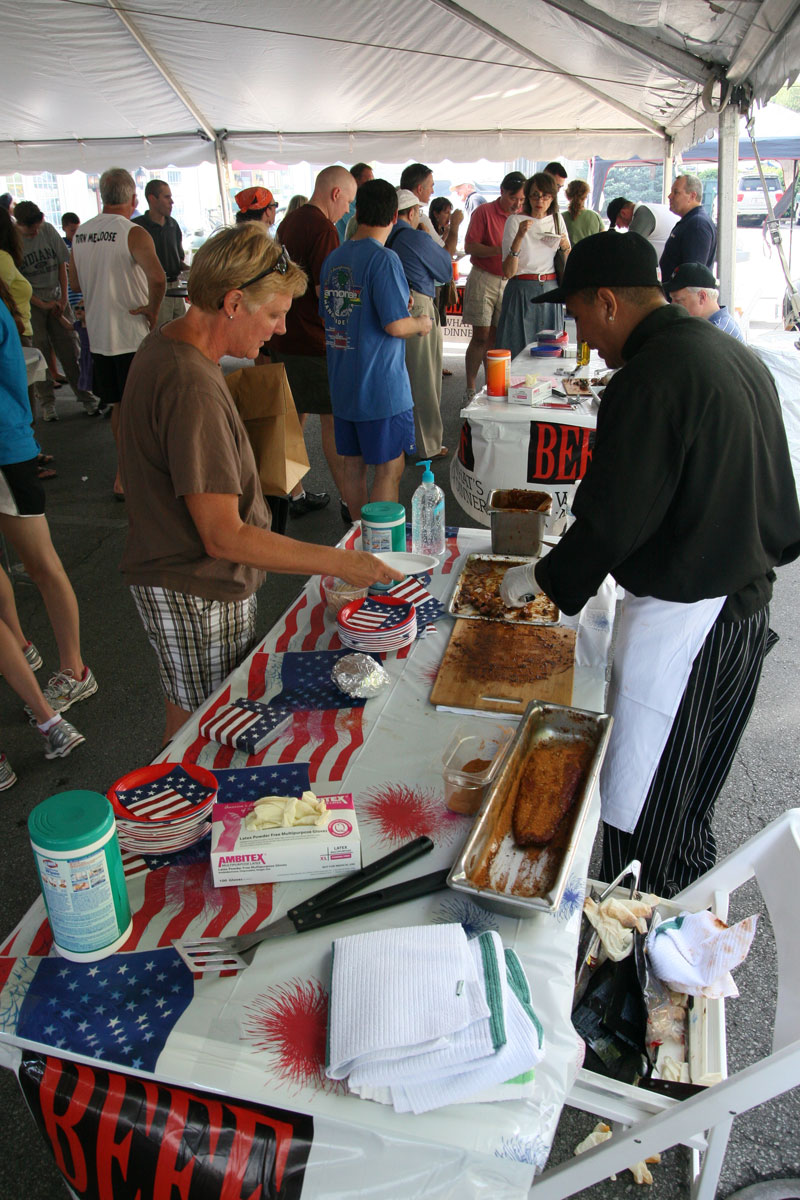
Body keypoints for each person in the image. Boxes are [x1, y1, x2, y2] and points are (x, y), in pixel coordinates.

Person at [499, 231, 800, 897]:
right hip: (745, 611)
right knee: (691, 806)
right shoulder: (728, 351)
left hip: (688, 627)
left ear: (606, 301)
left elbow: (614, 518)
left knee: (647, 826)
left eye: (577, 314)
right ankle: (681, 943)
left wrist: (545, 580)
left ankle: (627, 975)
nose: (582, 333)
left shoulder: (650, 377)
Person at [118, 223, 401, 745]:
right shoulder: (190, 385)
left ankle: (180, 815)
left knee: (193, 710)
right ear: (232, 302)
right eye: (273, 314)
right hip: (194, 583)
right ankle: (181, 823)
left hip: (184, 577)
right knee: (204, 729)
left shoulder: (168, 348)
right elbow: (223, 536)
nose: (278, 330)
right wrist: (342, 562)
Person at [0, 294, 98, 726]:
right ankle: (19, 644)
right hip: (10, 444)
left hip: (5, 450)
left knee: (41, 564)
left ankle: (75, 668)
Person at [319, 178, 432, 520]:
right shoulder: (384, 259)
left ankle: (357, 537)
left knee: (353, 468)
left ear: (358, 211)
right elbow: (396, 325)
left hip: (343, 384)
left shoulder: (333, 259)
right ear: (395, 216)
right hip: (381, 387)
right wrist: (422, 323)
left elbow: (342, 311)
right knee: (389, 469)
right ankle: (380, 547)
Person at [69, 166, 165, 498]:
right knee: (146, 407)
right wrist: (152, 310)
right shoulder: (132, 232)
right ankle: (146, 473)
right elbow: (158, 278)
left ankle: (124, 475)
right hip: (130, 333)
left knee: (119, 408)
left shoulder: (80, 233)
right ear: (134, 197)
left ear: (101, 196)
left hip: (99, 334)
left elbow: (75, 283)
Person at [272, 165, 357, 521]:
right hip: (312, 340)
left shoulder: (288, 222)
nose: (348, 211)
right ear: (335, 193)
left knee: (291, 420)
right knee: (333, 422)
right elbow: (329, 295)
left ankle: (293, 494)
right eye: (348, 201)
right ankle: (351, 504)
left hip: (284, 334)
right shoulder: (323, 228)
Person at [14, 200, 98, 420]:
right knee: (39, 354)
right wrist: (41, 304)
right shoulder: (13, 239)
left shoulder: (47, 230)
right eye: (28, 230)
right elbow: (16, 280)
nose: (33, 233)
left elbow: (62, 263)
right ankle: (47, 403)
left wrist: (62, 297)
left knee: (70, 349)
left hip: (57, 298)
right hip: (32, 304)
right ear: (19, 224)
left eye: (35, 229)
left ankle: (86, 397)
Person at [386, 187, 453, 459]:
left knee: (396, 375)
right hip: (417, 303)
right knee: (424, 376)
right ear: (413, 212)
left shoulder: (381, 235)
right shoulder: (416, 237)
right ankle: (427, 445)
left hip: (387, 303)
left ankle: (399, 439)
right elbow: (445, 271)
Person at [461, 170, 526, 399]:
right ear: (502, 192)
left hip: (509, 280)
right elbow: (470, 246)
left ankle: (492, 388)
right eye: (513, 198)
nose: (517, 204)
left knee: (498, 339)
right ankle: (469, 388)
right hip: (484, 277)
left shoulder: (522, 216)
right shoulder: (484, 212)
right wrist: (501, 250)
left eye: (521, 200)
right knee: (480, 335)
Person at [495, 172, 570, 359]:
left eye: (546, 196)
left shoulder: (556, 220)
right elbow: (508, 271)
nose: (540, 200)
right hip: (521, 288)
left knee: (550, 347)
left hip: (550, 287)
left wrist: (566, 248)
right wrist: (520, 236)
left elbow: (567, 262)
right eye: (535, 195)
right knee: (517, 345)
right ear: (528, 196)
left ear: (552, 198)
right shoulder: (515, 221)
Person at [132, 179, 188, 324]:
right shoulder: (138, 227)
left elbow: (178, 261)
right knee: (160, 335)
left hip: (175, 287)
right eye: (167, 197)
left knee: (181, 333)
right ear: (152, 198)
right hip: (153, 289)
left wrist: (196, 270)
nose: (172, 202)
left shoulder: (173, 224)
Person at [663, 261, 745, 341]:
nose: (672, 305)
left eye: (678, 300)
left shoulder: (717, 333)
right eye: (671, 299)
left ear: (702, 297)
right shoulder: (714, 325)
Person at [660, 174, 717, 280]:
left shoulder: (697, 225)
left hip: (683, 295)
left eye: (676, 192)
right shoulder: (689, 221)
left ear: (692, 196)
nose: (670, 196)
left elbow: (693, 274)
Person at [61, 212, 93, 399]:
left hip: (84, 295)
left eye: (77, 229)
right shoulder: (64, 246)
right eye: (72, 229)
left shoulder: (82, 246)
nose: (75, 232)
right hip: (71, 298)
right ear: (65, 228)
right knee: (78, 340)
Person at [606, 196, 679, 265]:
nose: (619, 227)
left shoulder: (642, 215)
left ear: (623, 213)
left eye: (617, 224)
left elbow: (629, 251)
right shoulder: (652, 208)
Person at [336, 163, 374, 242]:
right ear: (355, 180)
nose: (372, 183)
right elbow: (359, 226)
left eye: (373, 180)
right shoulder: (347, 199)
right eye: (369, 180)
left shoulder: (366, 199)